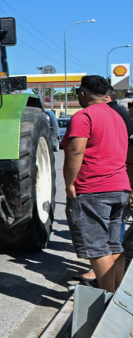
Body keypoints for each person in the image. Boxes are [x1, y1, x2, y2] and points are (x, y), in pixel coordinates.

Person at [63, 75, 132, 293]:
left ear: (82, 94)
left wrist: (69, 183)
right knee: (114, 247)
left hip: (93, 190)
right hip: (120, 188)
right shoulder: (118, 117)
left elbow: (76, 151)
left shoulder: (83, 116)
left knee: (96, 249)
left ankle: (107, 296)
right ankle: (116, 298)